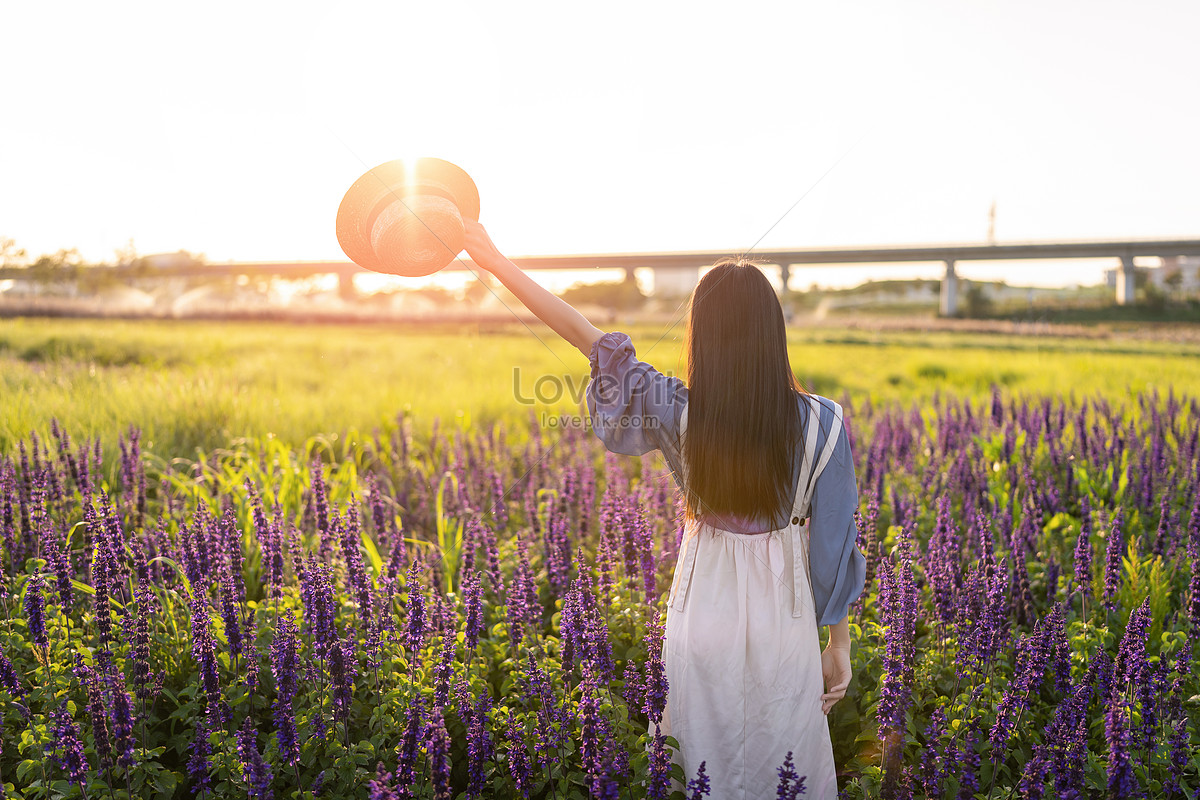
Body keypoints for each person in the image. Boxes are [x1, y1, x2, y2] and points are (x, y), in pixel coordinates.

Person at [464, 221, 865, 800]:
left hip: (701, 607)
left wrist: (496, 263)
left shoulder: (679, 413)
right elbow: (831, 548)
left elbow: (585, 335)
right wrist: (839, 645)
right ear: (773, 334)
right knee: (784, 764)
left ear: (702, 338)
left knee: (699, 765)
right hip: (785, 619)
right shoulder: (823, 423)